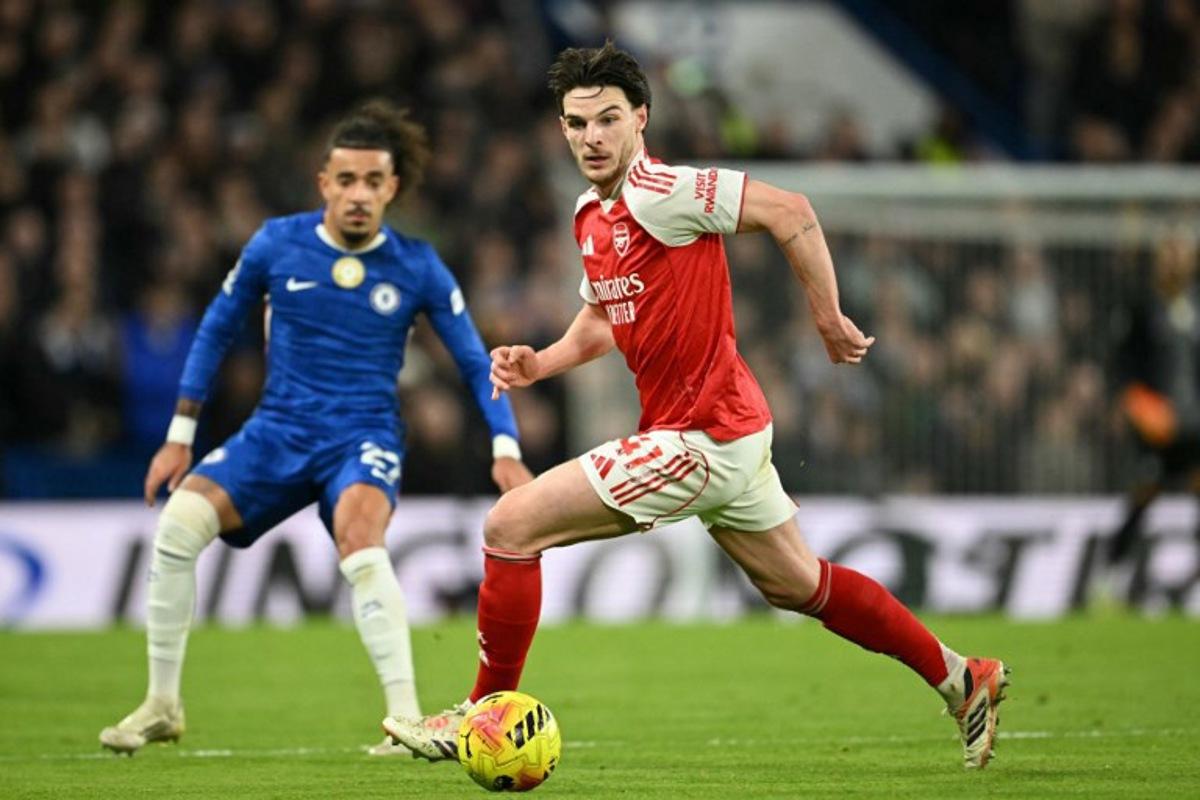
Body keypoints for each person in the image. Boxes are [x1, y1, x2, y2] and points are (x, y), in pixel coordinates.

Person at [384, 43, 1009, 770]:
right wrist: (542, 361)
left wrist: (828, 317)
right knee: (799, 584)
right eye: (577, 123)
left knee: (511, 526)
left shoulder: (664, 190)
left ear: (640, 119)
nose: (592, 137)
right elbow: (605, 316)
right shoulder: (590, 214)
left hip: (700, 437)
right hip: (728, 430)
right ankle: (963, 678)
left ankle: (478, 715)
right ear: (561, 129)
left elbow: (791, 211)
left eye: (608, 119)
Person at [99, 101, 533, 756]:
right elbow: (215, 329)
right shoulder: (277, 244)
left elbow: (476, 362)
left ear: (392, 188)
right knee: (178, 526)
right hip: (277, 430)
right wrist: (180, 436)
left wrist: (505, 446)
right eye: (346, 180)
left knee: (361, 540)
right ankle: (162, 704)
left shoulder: (417, 264)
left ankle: (404, 720)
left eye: (373, 181)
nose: (358, 194)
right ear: (323, 182)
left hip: (363, 436)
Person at [1105, 231, 1200, 594]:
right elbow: (1123, 363)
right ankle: (1111, 574)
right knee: (1144, 493)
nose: (1175, 260)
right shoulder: (1143, 307)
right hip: (1156, 424)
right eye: (1169, 252)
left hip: (1195, 423)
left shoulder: (1195, 305)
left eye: (1182, 252)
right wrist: (1135, 402)